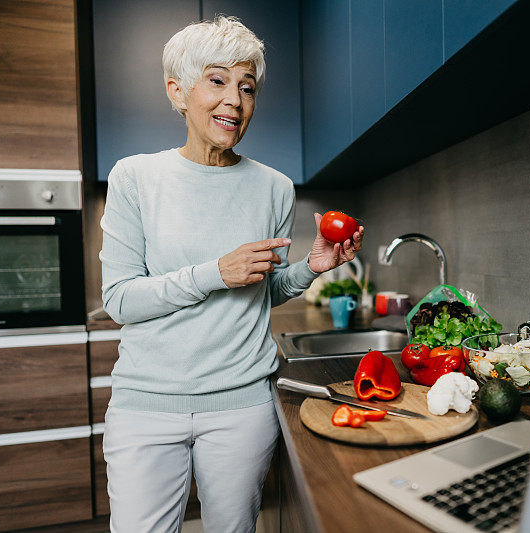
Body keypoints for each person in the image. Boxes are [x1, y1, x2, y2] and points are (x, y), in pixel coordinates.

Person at [99, 16, 363, 533]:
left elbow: (264, 288)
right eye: (217, 81)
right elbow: (120, 299)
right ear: (177, 91)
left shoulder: (275, 188)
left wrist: (310, 269)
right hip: (146, 407)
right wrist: (215, 272)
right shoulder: (135, 177)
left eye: (247, 87)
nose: (235, 101)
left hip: (241, 406)